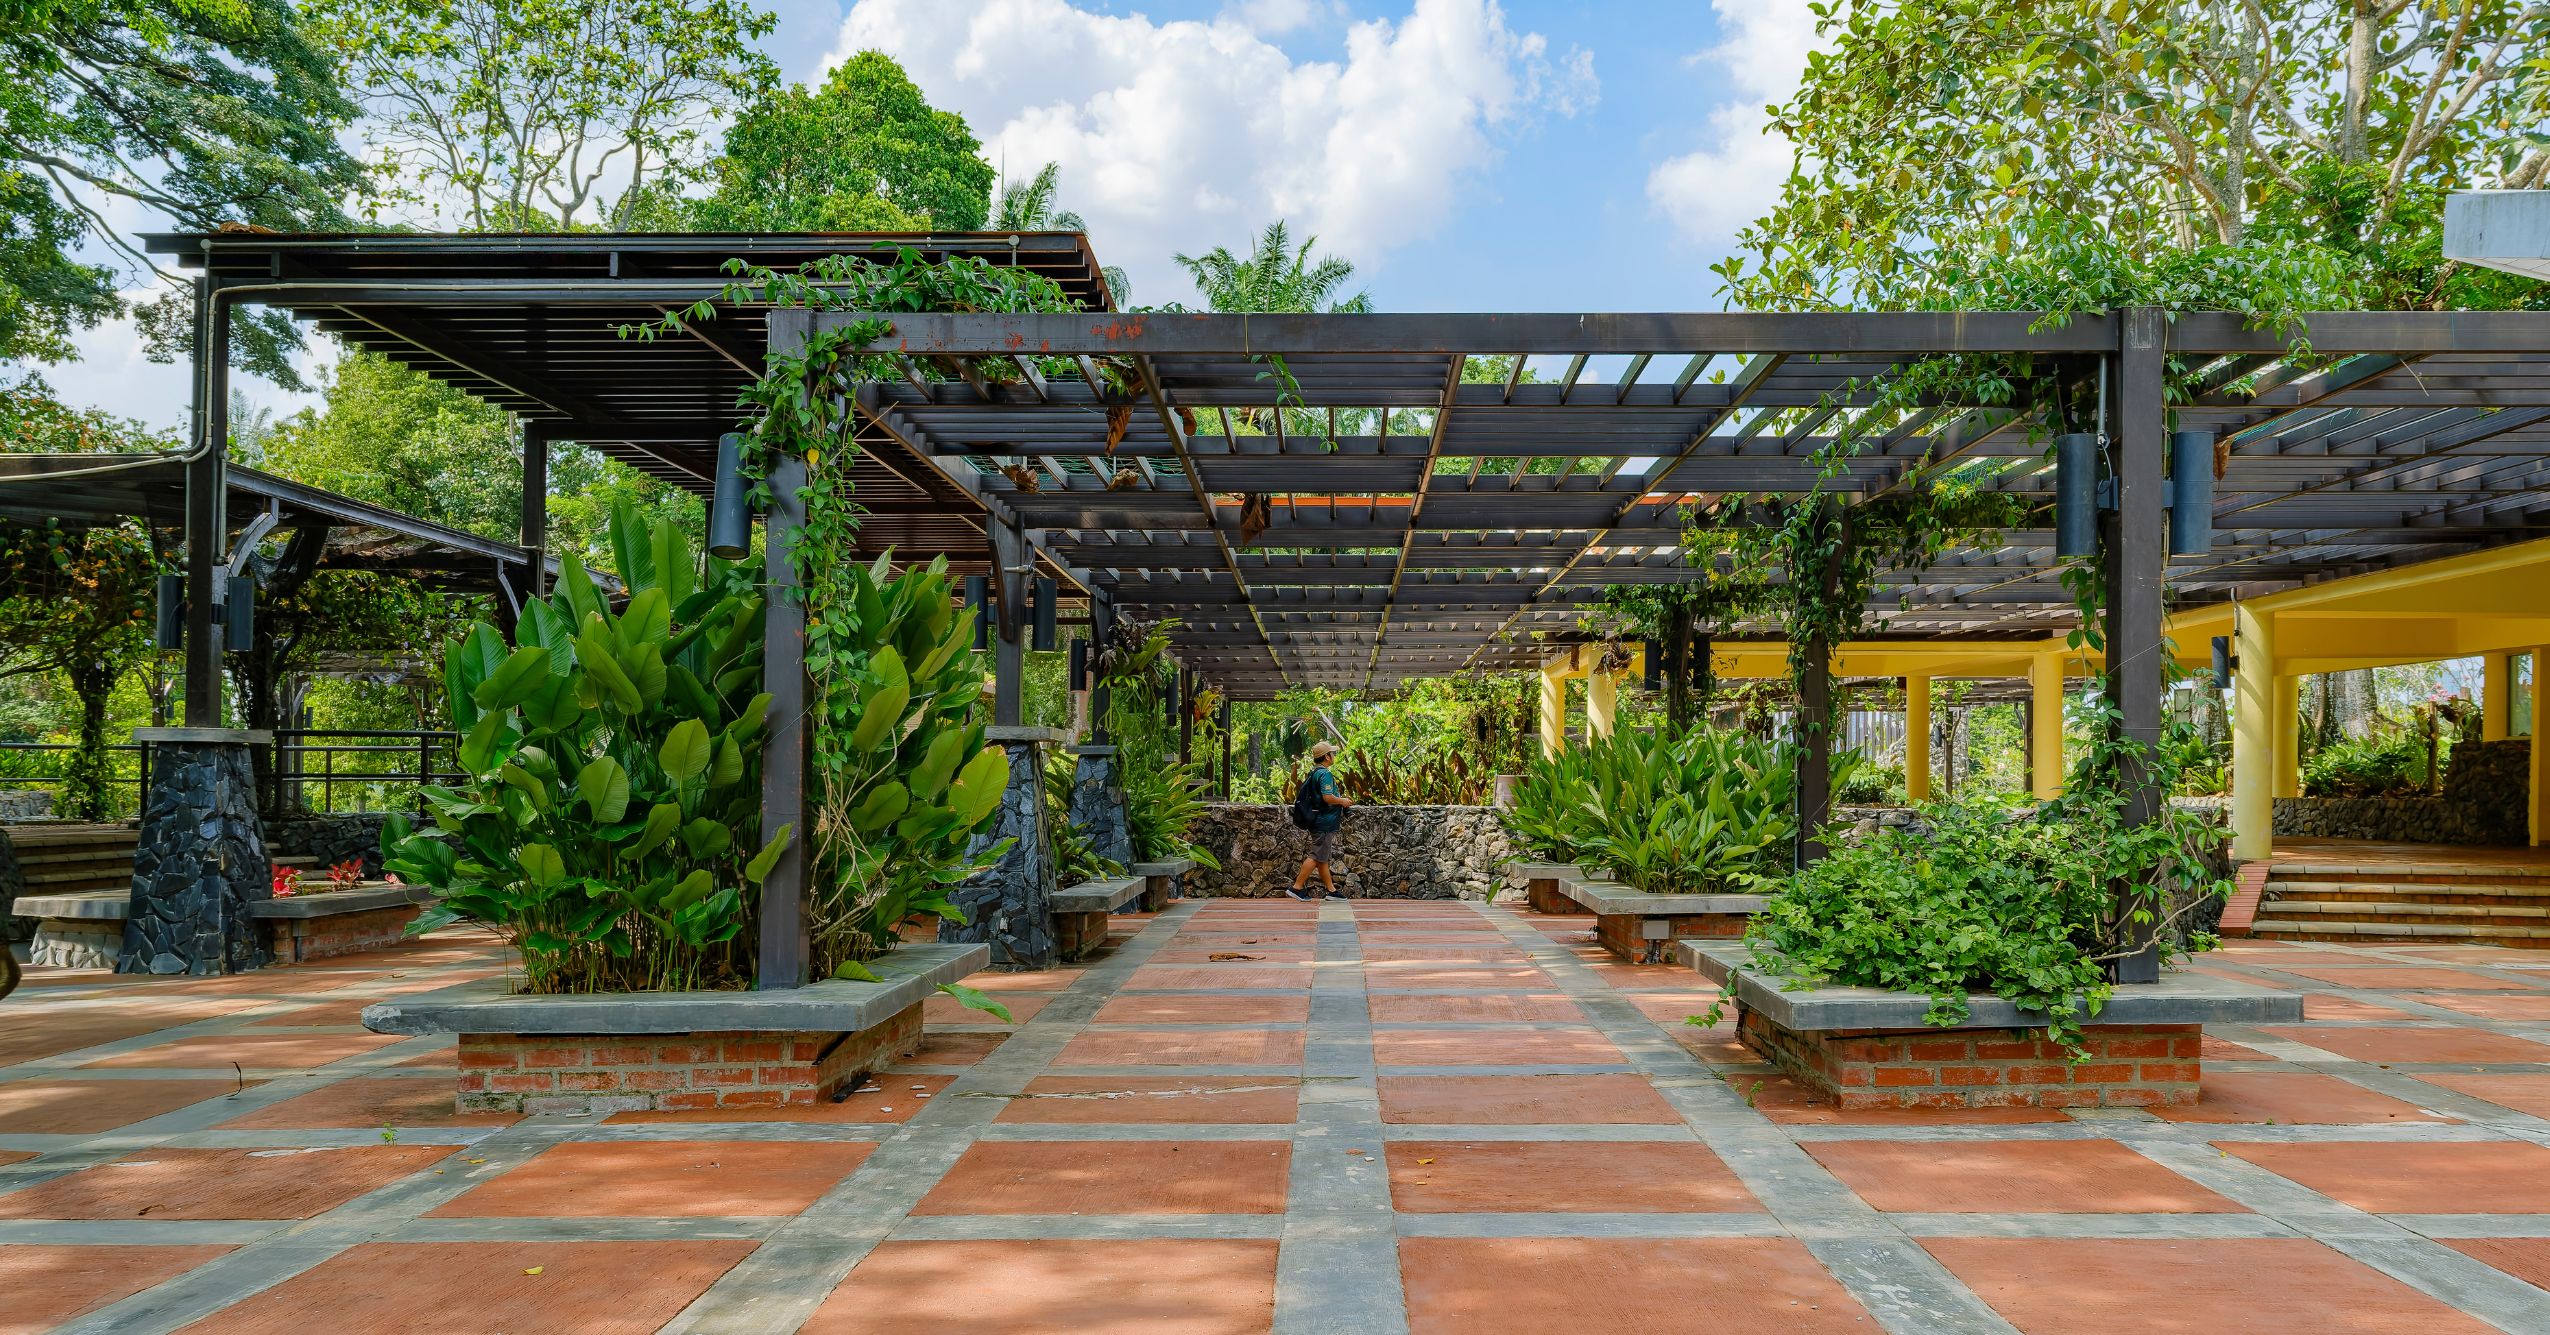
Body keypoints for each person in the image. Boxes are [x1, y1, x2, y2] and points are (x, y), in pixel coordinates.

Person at [1286, 740, 1352, 900]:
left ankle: (1331, 890)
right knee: (1316, 855)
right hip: (1324, 822)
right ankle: (1297, 887)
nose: (1334, 755)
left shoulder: (1315, 772)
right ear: (1326, 756)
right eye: (1332, 753)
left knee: (1322, 857)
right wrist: (1342, 801)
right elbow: (1327, 797)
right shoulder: (1325, 774)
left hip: (1318, 820)